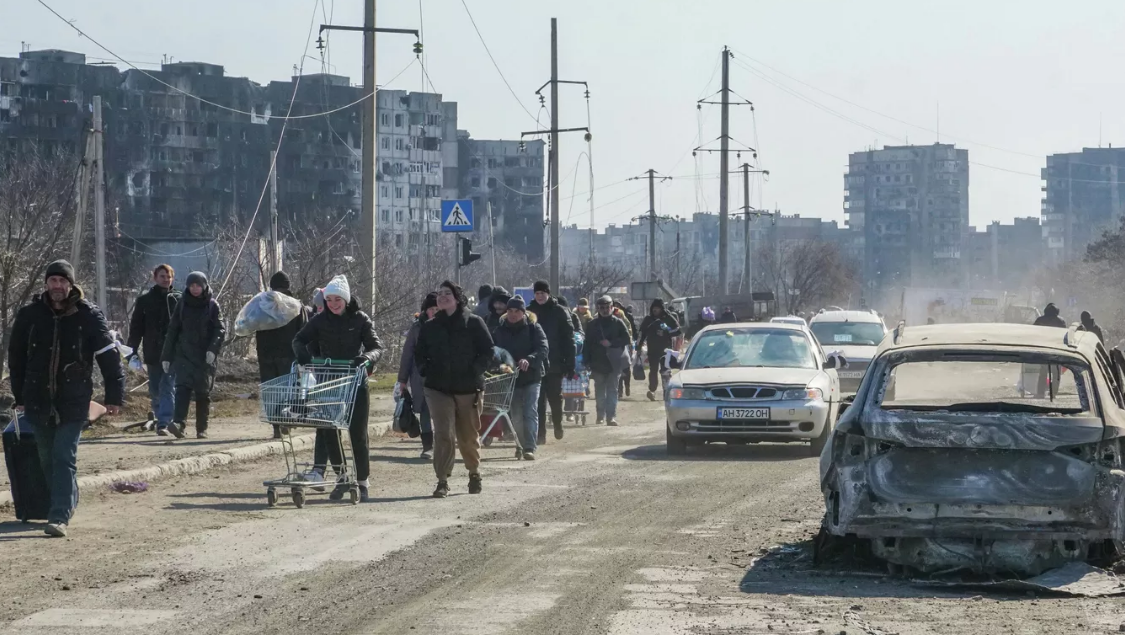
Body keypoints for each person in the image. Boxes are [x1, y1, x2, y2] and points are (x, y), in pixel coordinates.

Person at [8, 260, 124, 537]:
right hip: (38, 398)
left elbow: (109, 357)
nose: (57, 286)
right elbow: (16, 358)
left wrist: (114, 396)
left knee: (63, 455)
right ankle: (66, 502)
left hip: (73, 398)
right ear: (46, 284)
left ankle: (58, 515)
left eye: (63, 281)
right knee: (47, 457)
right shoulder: (30, 316)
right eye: (53, 281)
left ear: (71, 285)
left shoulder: (88, 316)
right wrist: (20, 395)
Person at [292, 274, 383, 502]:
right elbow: (299, 340)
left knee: (357, 434)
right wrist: (306, 359)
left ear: (346, 299)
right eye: (329, 299)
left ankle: (362, 481)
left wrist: (366, 358)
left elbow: (376, 346)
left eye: (337, 299)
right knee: (330, 430)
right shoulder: (320, 320)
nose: (333, 304)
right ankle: (342, 478)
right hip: (329, 381)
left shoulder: (360, 319)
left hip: (355, 382)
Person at [415, 280, 494, 498]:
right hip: (438, 387)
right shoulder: (430, 326)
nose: (442, 297)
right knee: (443, 433)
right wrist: (425, 370)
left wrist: (475, 370)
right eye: (439, 294)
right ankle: (442, 480)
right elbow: (419, 353)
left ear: (457, 298)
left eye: (447, 293)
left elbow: (488, 351)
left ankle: (474, 472)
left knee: (467, 435)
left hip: (468, 387)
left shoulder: (474, 323)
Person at [161, 272, 225, 440]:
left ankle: (201, 428)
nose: (195, 289)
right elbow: (173, 330)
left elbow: (220, 329)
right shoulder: (182, 305)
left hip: (205, 357)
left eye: (198, 285)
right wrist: (166, 356)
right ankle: (179, 423)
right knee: (182, 389)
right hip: (184, 355)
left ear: (204, 286)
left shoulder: (212, 305)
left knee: (203, 393)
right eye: (192, 286)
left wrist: (213, 349)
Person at [491, 295, 548, 459]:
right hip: (511, 379)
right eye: (510, 310)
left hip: (532, 376)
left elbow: (543, 349)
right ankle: (521, 445)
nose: (513, 314)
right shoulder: (499, 330)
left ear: (524, 313)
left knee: (530, 411)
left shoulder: (534, 328)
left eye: (517, 311)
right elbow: (494, 351)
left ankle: (529, 447)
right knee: (516, 414)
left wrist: (529, 359)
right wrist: (501, 364)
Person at [126, 264, 180, 436]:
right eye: (162, 276)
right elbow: (136, 329)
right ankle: (160, 418)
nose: (166, 280)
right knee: (155, 389)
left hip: (173, 353)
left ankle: (164, 422)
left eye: (169, 277)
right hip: (153, 351)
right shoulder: (144, 301)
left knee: (167, 387)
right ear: (155, 278)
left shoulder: (178, 299)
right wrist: (131, 352)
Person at [255, 271, 310, 439]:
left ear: (271, 286)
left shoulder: (263, 305)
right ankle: (285, 419)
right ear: (288, 286)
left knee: (271, 390)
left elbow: (254, 325)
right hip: (288, 354)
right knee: (286, 389)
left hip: (266, 355)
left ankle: (275, 426)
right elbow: (305, 331)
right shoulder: (296, 305)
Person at [528, 280, 575, 444]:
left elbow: (569, 338)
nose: (540, 296)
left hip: (555, 361)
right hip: (536, 362)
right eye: (537, 293)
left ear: (548, 293)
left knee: (555, 397)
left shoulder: (560, 312)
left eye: (543, 293)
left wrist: (570, 363)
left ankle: (557, 423)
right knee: (538, 400)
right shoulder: (529, 312)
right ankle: (540, 433)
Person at [397, 293, 439, 460]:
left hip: (444, 376)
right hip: (420, 376)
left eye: (437, 308)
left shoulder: (449, 325)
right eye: (431, 309)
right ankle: (427, 446)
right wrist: (402, 379)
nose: (434, 312)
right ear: (425, 310)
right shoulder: (417, 328)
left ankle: (444, 444)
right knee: (425, 411)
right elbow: (407, 354)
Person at [584, 296, 631, 426]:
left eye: (607, 307)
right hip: (598, 362)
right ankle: (600, 416)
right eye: (602, 308)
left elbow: (627, 339)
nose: (604, 310)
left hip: (614, 362)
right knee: (599, 392)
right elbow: (586, 344)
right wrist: (586, 361)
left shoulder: (618, 322)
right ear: (598, 309)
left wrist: (611, 343)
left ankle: (611, 417)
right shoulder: (592, 324)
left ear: (612, 308)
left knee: (612, 390)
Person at [638, 298, 682, 401]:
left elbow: (678, 331)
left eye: (657, 308)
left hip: (666, 350)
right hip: (652, 350)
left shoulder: (668, 318)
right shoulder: (648, 320)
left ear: (661, 309)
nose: (655, 310)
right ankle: (652, 391)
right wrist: (639, 347)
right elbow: (642, 334)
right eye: (654, 308)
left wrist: (666, 332)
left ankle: (666, 392)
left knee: (665, 371)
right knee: (653, 371)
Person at [1032, 303, 1066, 398]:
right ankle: (1053, 393)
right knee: (1056, 374)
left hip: (1043, 349)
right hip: (1057, 350)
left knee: (1043, 373)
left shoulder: (1040, 320)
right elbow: (1063, 336)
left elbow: (1033, 332)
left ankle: (1040, 393)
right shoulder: (1061, 321)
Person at [612, 303, 635, 399]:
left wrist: (628, 338)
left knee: (626, 367)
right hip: (612, 347)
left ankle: (627, 385)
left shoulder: (622, 316)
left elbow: (629, 328)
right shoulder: (603, 317)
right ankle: (619, 391)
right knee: (616, 369)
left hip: (624, 345)